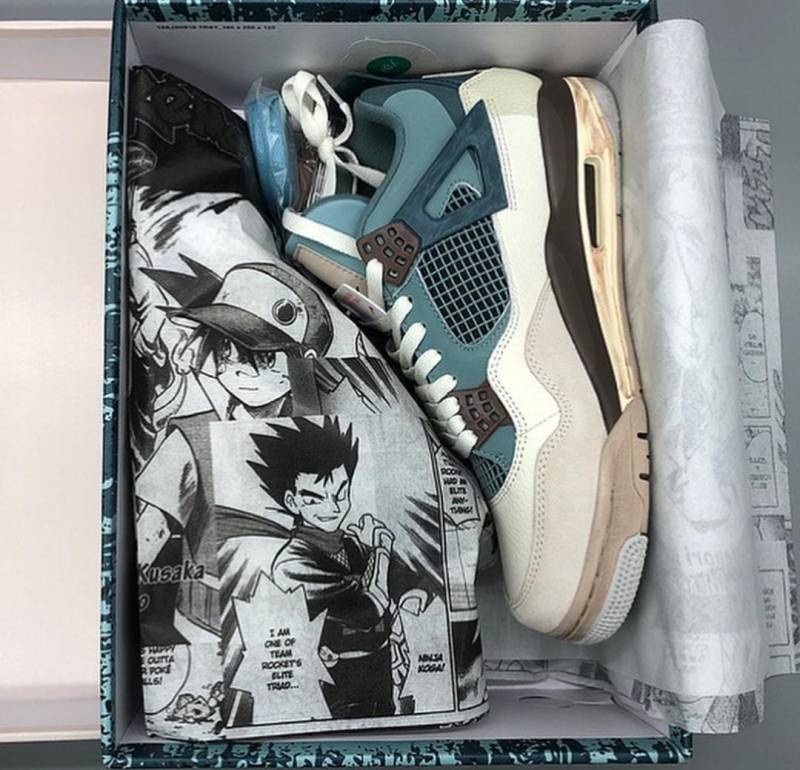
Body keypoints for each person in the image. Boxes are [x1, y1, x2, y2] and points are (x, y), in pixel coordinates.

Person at [135, 258, 333, 640]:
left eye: (261, 355)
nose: (238, 367)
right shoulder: (191, 437)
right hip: (206, 628)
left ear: (304, 361)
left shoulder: (322, 438)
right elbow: (148, 537)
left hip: (303, 628)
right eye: (225, 348)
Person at [249, 417, 400, 718]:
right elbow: (369, 609)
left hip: (379, 676)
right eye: (315, 499)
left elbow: (394, 589)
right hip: (333, 689)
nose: (333, 507)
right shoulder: (293, 563)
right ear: (292, 501)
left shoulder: (353, 545)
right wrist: (382, 548)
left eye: (341, 494)